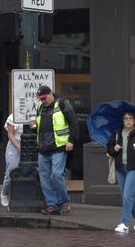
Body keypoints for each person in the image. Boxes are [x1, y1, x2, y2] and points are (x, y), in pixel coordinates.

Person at [34, 83, 78, 216]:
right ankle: (52, 205)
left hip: (58, 147)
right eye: (40, 99)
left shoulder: (63, 104)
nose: (42, 101)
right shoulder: (40, 107)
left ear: (51, 95)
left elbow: (74, 122)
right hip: (43, 149)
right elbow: (42, 125)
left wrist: (71, 140)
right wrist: (35, 126)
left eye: (44, 98)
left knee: (56, 175)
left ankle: (64, 202)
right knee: (45, 178)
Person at [109, 111, 135, 234]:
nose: (128, 120)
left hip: (134, 167)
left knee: (127, 196)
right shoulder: (117, 133)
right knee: (127, 196)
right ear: (123, 121)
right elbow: (109, 148)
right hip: (120, 167)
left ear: (134, 120)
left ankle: (125, 224)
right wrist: (114, 148)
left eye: (130, 118)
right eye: (125, 118)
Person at [0, 111, 22, 208]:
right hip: (14, 144)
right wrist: (19, 147)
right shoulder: (12, 117)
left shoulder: (34, 116)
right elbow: (10, 135)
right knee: (11, 170)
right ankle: (5, 193)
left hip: (30, 145)